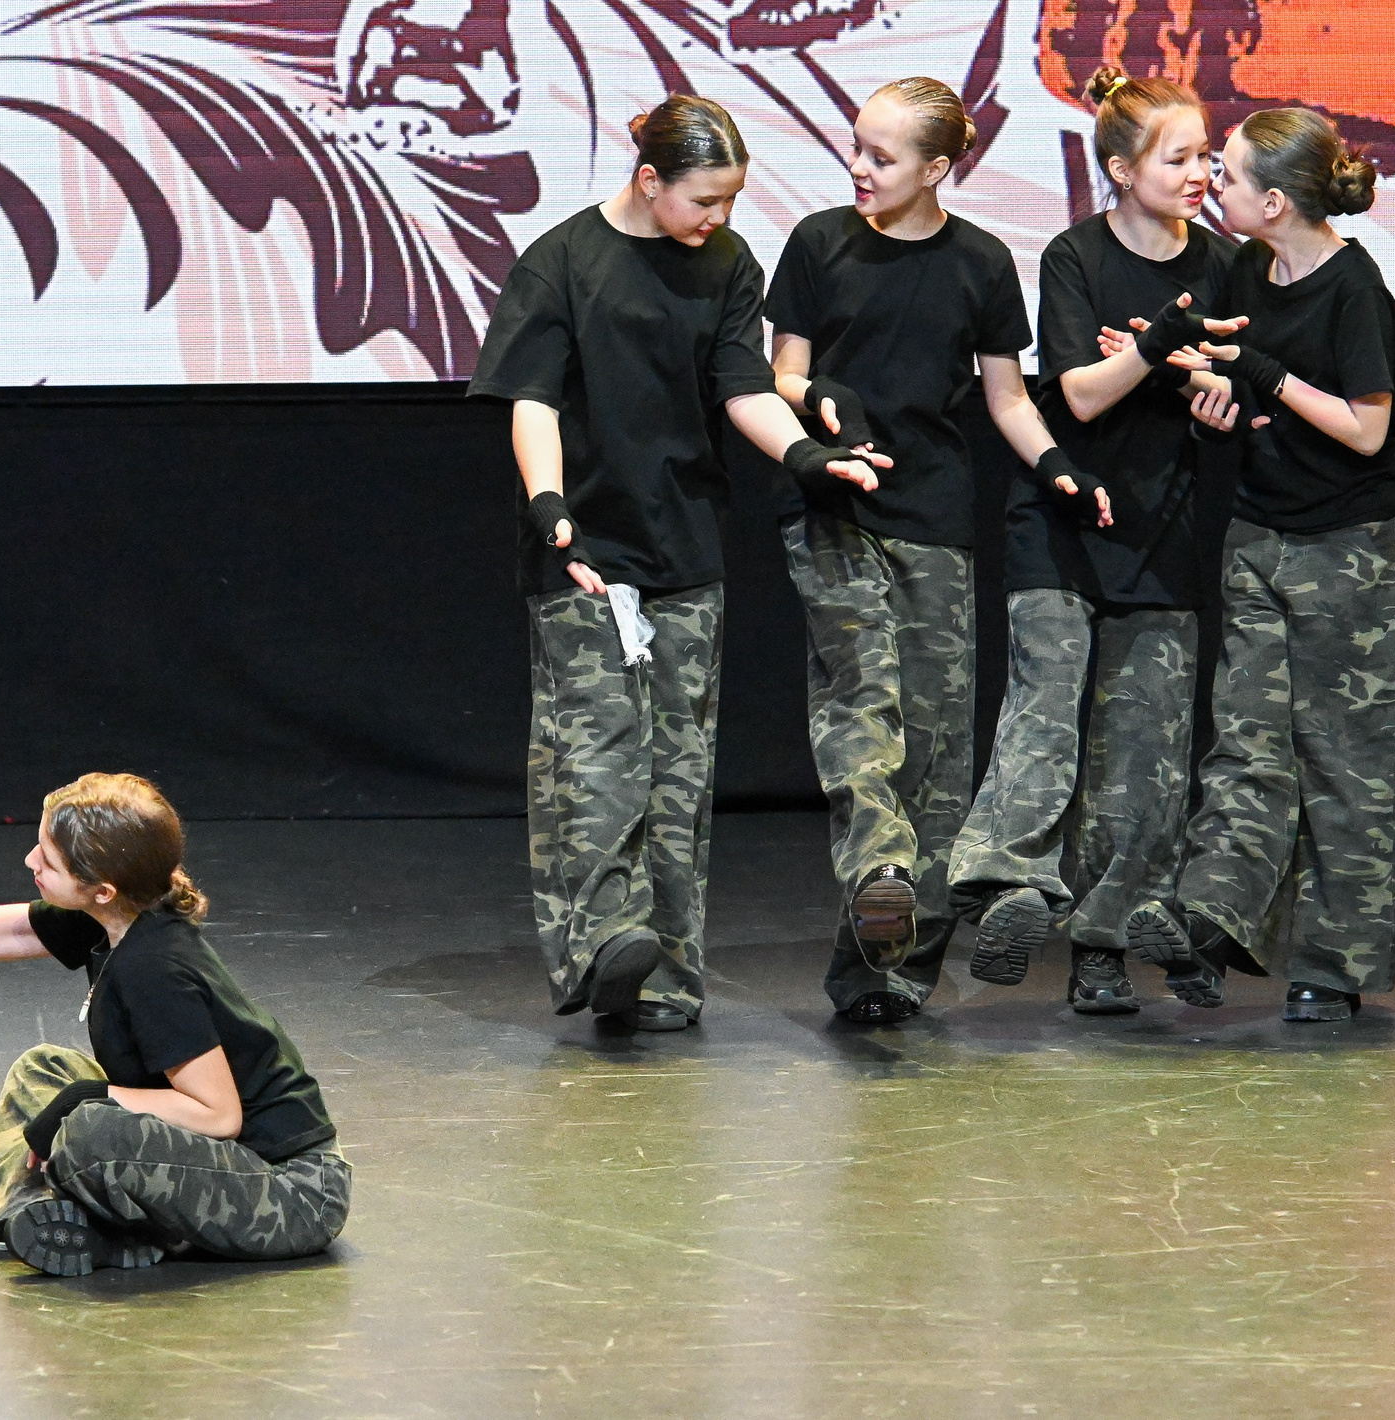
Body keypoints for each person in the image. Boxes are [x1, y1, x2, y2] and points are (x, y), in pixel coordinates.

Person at [467, 94, 883, 1032]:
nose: (719, 220)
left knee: (679, 771)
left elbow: (743, 386)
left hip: (686, 543)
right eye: (704, 201)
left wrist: (808, 458)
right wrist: (548, 505)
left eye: (731, 202)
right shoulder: (563, 263)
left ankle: (663, 978)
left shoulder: (728, 264)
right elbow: (531, 400)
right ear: (648, 179)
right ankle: (602, 939)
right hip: (585, 547)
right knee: (595, 756)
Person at [763, 76, 1077, 1025]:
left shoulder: (981, 262)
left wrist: (1060, 465)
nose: (859, 166)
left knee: (938, 751)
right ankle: (879, 870)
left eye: (883, 155)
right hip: (835, 509)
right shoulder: (819, 243)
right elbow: (781, 373)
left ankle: (890, 974)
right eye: (856, 146)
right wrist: (819, 409)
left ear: (939, 168)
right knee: (863, 707)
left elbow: (1007, 397)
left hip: (936, 517)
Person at [946, 69, 1247, 1014]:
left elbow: (1239, 390)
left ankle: (1105, 943)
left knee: (1146, 749)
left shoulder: (1226, 266)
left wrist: (1216, 391)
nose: (1200, 172)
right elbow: (1075, 393)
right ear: (1120, 169)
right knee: (1043, 713)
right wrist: (1156, 348)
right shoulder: (1074, 257)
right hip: (1067, 518)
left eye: (1206, 155)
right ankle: (1011, 887)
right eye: (1179, 157)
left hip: (1164, 523)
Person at [1123, 107, 1395, 1024]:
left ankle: (1333, 965)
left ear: (1277, 200)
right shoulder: (1248, 267)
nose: (1213, 181)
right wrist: (1203, 385)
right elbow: (1239, 380)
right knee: (1247, 740)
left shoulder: (1354, 291)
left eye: (1231, 173)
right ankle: (1211, 921)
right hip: (1258, 533)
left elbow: (1367, 430)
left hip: (1351, 552)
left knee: (1345, 758)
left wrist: (1262, 376)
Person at [0, 770, 349, 1275]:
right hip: (221, 1164)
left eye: (47, 860)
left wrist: (92, 1100)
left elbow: (218, 1116)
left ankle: (103, 1230)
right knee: (42, 1072)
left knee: (87, 1128)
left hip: (288, 1195)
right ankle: (39, 1219)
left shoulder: (155, 969)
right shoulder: (106, 920)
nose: (30, 860)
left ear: (103, 889)